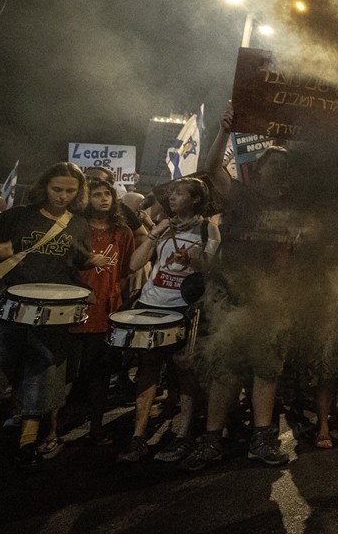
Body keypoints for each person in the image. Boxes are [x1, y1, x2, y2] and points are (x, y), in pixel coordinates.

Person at [0, 162, 94, 473]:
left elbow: (78, 260)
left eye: (70, 190)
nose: (63, 196)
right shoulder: (17, 215)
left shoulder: (78, 224)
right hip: (7, 301)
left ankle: (27, 441)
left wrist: (94, 260)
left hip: (51, 310)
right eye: (57, 189)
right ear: (43, 187)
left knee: (42, 373)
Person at [183, 105, 297, 470]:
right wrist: (224, 131)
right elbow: (213, 169)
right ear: (258, 170)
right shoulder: (241, 196)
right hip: (233, 296)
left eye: (285, 170)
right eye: (273, 167)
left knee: (266, 370)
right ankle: (212, 438)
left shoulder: (297, 209)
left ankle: (261, 439)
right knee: (226, 369)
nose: (279, 175)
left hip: (272, 301)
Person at [119, 177, 218, 463]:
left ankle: (182, 435)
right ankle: (138, 436)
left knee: (185, 370)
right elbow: (135, 265)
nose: (172, 198)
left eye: (179, 193)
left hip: (184, 309)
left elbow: (210, 270)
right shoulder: (163, 226)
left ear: (196, 199)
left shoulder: (206, 229)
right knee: (148, 369)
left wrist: (192, 259)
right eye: (170, 194)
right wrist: (154, 234)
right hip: (153, 304)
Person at [60, 177, 136, 452]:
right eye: (96, 194)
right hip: (73, 308)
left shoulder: (123, 231)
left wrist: (115, 301)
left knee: (100, 373)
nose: (103, 198)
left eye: (107, 194)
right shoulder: (72, 226)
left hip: (105, 310)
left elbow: (125, 271)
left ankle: (95, 427)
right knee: (65, 374)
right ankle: (51, 429)